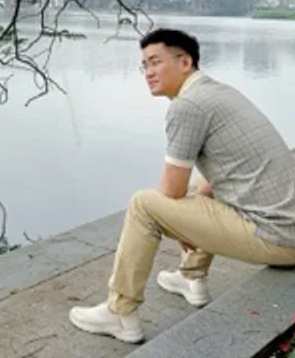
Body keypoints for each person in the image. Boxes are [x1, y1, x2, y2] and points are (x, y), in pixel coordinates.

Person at [69, 28, 295, 344]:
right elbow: (219, 175)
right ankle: (192, 278)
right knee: (199, 190)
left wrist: (181, 226)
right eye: (144, 65)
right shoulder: (220, 93)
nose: (148, 73)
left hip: (277, 238)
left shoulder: (188, 106)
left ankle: (120, 312)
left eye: (155, 62)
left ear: (185, 62)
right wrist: (188, 220)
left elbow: (170, 192)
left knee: (143, 204)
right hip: (286, 228)